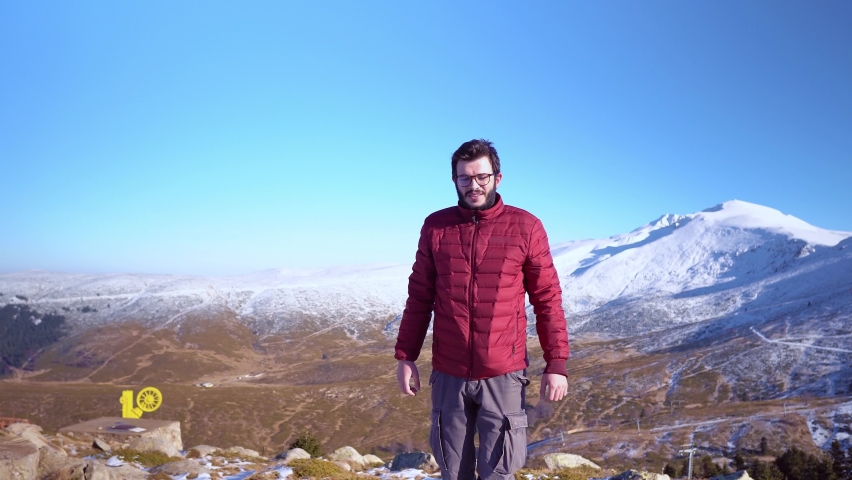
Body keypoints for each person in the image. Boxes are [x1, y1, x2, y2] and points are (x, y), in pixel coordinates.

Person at [394, 139, 569, 480]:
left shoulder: (526, 227)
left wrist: (557, 363)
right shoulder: (436, 227)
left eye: (482, 177)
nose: (473, 185)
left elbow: (547, 298)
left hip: (504, 373)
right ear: (455, 180)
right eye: (465, 178)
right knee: (453, 470)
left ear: (497, 178)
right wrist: (406, 356)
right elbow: (419, 297)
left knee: (497, 473)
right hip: (449, 372)